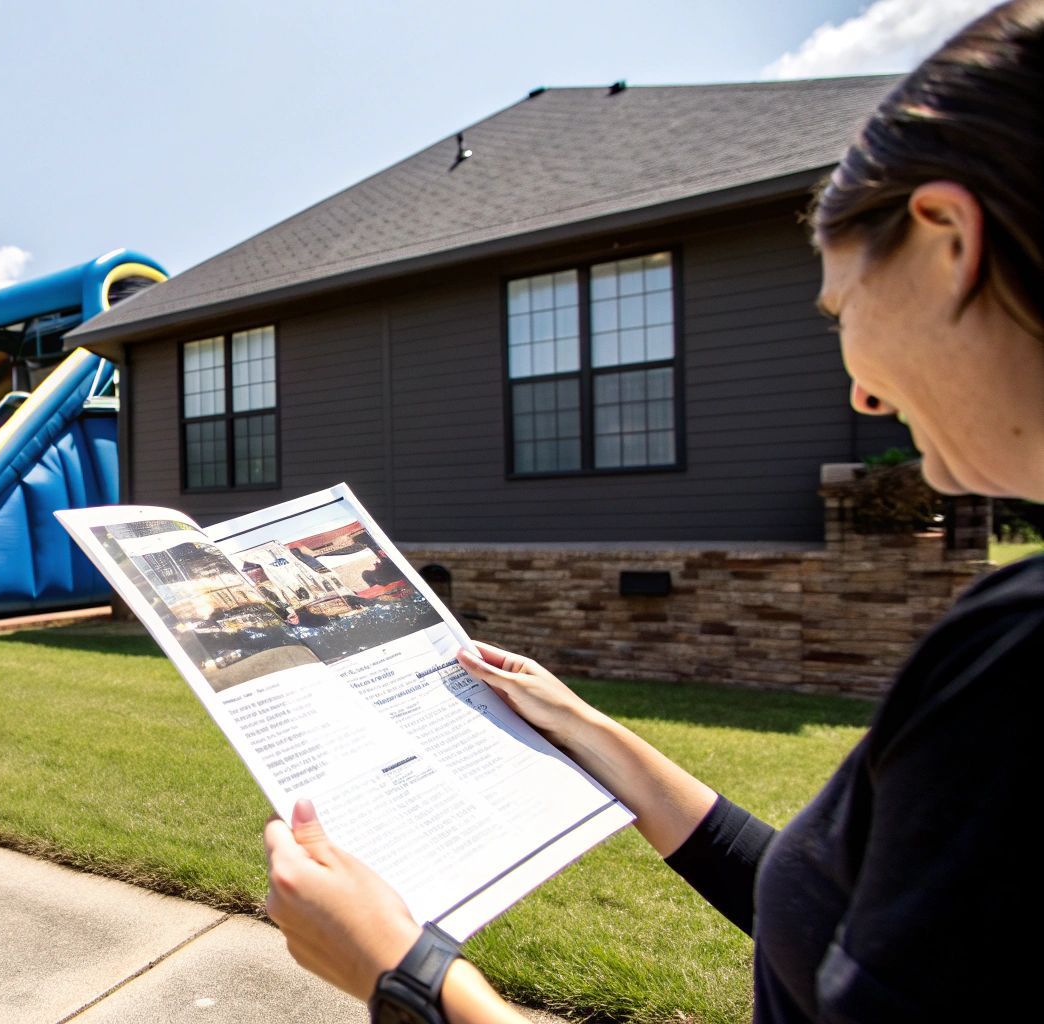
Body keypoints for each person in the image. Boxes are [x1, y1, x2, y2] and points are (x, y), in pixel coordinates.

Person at [261, 3, 1043, 1021]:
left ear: (946, 238)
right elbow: (829, 910)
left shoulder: (1016, 662)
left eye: (840, 307)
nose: (859, 391)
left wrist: (409, 977)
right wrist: (586, 729)